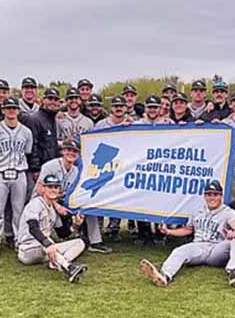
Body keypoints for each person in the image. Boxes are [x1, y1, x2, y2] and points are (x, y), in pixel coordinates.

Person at [138, 180, 235, 287]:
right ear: (205, 196)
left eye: (215, 194)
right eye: (209, 194)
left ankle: (234, 271)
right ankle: (164, 276)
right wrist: (168, 231)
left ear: (221, 196)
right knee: (179, 251)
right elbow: (188, 229)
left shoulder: (228, 212)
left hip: (216, 249)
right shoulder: (197, 211)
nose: (212, 198)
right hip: (198, 247)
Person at [32, 139, 112, 254]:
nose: (71, 153)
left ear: (78, 154)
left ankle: (95, 242)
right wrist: (57, 206)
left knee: (88, 207)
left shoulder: (75, 171)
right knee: (55, 233)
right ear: (63, 151)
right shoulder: (50, 166)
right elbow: (40, 190)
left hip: (61, 201)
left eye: (75, 151)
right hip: (43, 203)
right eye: (68, 150)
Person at [17, 174, 88, 283]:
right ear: (43, 189)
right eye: (50, 187)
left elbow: (62, 234)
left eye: (56, 187)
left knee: (80, 242)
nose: (53, 190)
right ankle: (69, 268)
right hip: (27, 249)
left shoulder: (53, 210)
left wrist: (75, 225)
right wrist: (48, 244)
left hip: (46, 250)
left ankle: (55, 263)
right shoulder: (35, 204)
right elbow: (33, 228)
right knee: (47, 242)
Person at [0, 97, 33, 258]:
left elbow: (27, 151)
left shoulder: (26, 131)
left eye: (14, 107)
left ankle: (19, 240)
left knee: (18, 210)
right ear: (3, 110)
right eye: (8, 108)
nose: (11, 110)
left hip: (19, 173)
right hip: (0, 173)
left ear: (18, 110)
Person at [134, 95, 172, 246]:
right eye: (149, 107)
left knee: (160, 202)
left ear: (159, 108)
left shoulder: (167, 123)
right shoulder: (138, 124)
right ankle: (143, 233)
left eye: (155, 107)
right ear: (145, 108)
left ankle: (160, 233)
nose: (152, 110)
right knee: (140, 201)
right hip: (142, 167)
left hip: (161, 167)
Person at [95, 95, 133, 242]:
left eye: (121, 106)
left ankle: (114, 228)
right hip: (103, 164)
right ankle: (97, 228)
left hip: (122, 165)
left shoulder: (132, 124)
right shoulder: (101, 124)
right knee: (98, 196)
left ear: (125, 108)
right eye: (115, 106)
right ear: (111, 108)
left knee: (117, 196)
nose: (118, 108)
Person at [22, 87, 61, 199]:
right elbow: (33, 144)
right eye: (50, 99)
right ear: (43, 100)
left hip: (51, 166)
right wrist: (35, 168)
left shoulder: (54, 119)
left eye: (55, 99)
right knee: (34, 198)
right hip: (38, 169)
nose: (52, 102)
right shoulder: (35, 118)